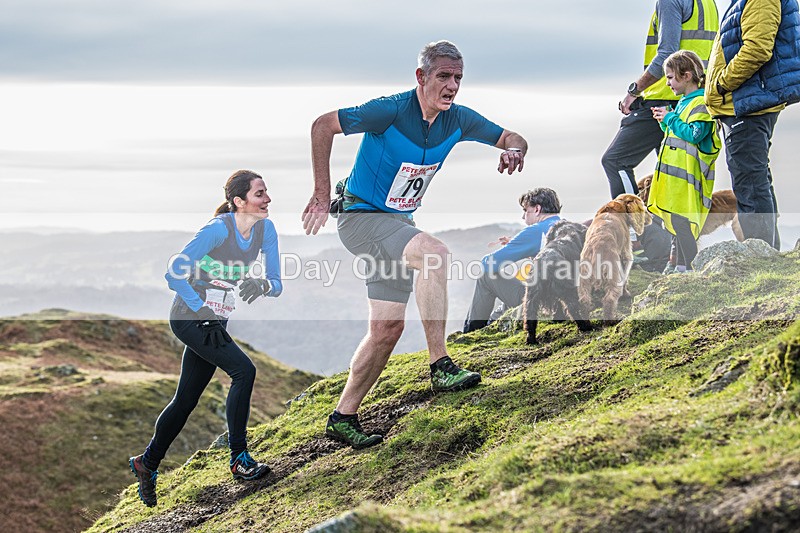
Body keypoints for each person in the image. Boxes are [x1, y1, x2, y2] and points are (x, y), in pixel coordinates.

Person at [301, 40, 528, 449]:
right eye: (444, 76)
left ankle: (343, 416)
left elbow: (512, 136)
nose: (452, 85)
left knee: (387, 328)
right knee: (435, 254)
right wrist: (320, 193)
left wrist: (514, 150)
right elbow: (322, 125)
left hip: (397, 225)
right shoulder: (390, 110)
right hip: (361, 219)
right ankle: (441, 365)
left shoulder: (458, 119)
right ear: (421, 77)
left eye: (458, 78)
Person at [129, 170, 283, 507]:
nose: (268, 199)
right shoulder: (217, 230)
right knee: (244, 371)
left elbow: (277, 283)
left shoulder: (265, 230)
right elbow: (174, 273)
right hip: (190, 315)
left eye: (266, 192)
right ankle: (239, 459)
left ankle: (146, 463)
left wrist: (262, 285)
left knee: (186, 400)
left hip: (216, 319)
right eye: (259, 194)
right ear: (238, 201)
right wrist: (202, 312)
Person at [705, 0, 800, 250]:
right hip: (744, 103)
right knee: (754, 181)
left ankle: (760, 257)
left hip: (746, 104)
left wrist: (722, 85)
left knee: (750, 183)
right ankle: (767, 254)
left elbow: (757, 49)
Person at [601, 0, 719, 198]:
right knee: (672, 172)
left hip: (663, 99)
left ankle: (630, 216)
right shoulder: (708, 3)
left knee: (615, 160)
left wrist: (634, 91)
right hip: (693, 99)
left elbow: (667, 54)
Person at [649, 50, 721, 272]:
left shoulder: (700, 102)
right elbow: (677, 135)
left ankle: (690, 269)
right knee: (677, 224)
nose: (667, 83)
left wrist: (670, 118)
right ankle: (681, 268)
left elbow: (694, 134)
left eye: (670, 77)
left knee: (682, 224)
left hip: (688, 180)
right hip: (675, 181)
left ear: (687, 75)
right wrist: (665, 121)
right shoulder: (682, 102)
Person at [463, 188, 561, 333]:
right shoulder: (569, 227)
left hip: (544, 304)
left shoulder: (536, 231)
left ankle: (470, 333)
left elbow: (489, 264)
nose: (523, 216)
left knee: (486, 277)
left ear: (537, 209)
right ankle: (490, 327)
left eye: (525, 210)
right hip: (567, 300)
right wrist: (524, 249)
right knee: (520, 286)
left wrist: (514, 246)